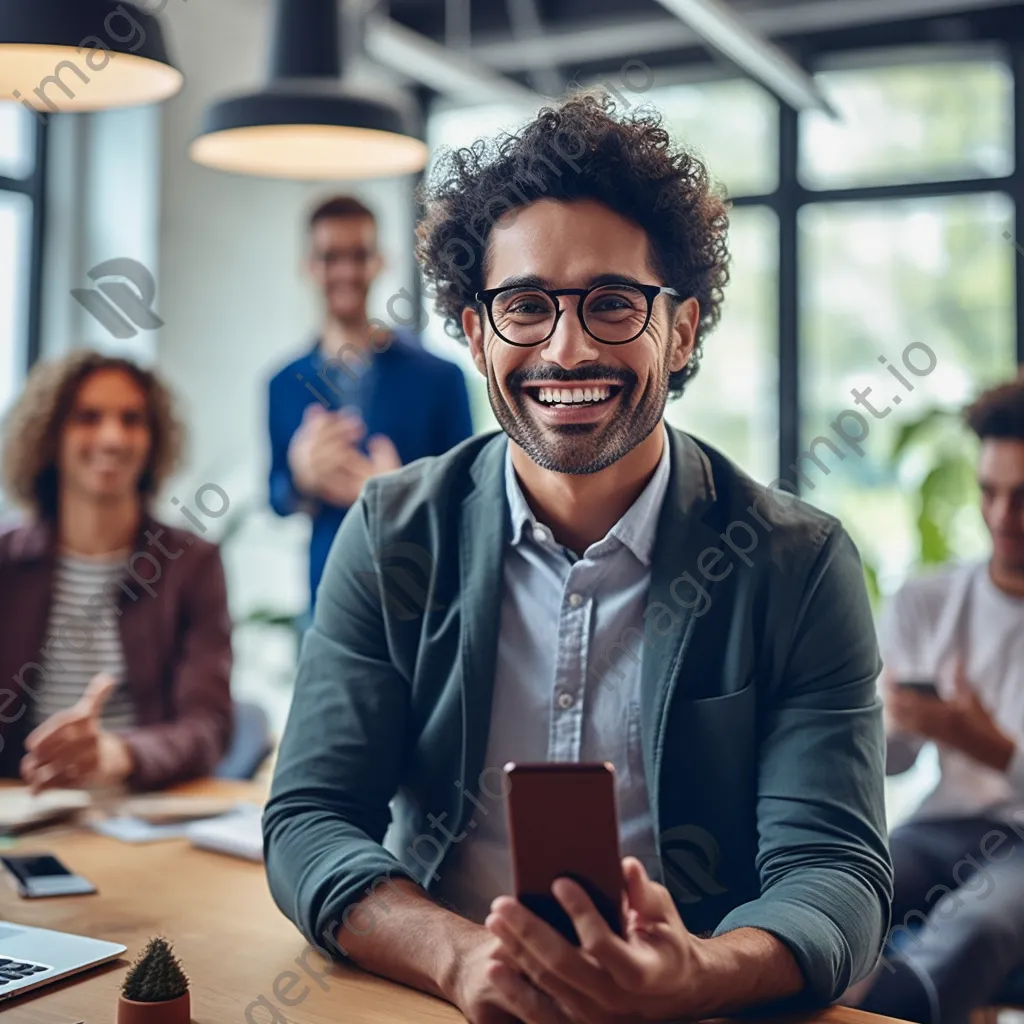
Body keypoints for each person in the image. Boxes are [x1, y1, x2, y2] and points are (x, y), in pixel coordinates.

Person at [264, 93, 892, 1024]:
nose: (566, 350)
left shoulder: (798, 566)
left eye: (611, 304)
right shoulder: (393, 532)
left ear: (680, 329)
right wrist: (457, 956)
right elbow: (310, 819)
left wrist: (703, 972)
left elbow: (836, 874)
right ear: (476, 334)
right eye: (524, 305)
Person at [856, 376, 1024, 1024]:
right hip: (938, 827)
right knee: (857, 885)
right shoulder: (926, 600)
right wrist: (892, 721)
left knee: (976, 926)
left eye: (1023, 498)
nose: (1003, 517)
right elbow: (894, 762)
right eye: (989, 492)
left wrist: (990, 746)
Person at [0, 350, 233, 792]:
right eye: (88, 418)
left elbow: (208, 727)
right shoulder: (6, 562)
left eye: (131, 419)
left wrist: (118, 753)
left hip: (137, 803)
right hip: (18, 801)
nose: (112, 438)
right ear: (50, 437)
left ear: (153, 439)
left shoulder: (192, 564)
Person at [267, 195, 474, 609]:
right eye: (331, 257)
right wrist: (302, 477)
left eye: (358, 255)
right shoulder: (283, 383)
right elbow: (275, 494)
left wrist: (401, 497)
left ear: (380, 261)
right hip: (326, 592)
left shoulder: (439, 377)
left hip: (419, 593)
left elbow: (469, 496)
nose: (345, 271)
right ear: (309, 266)